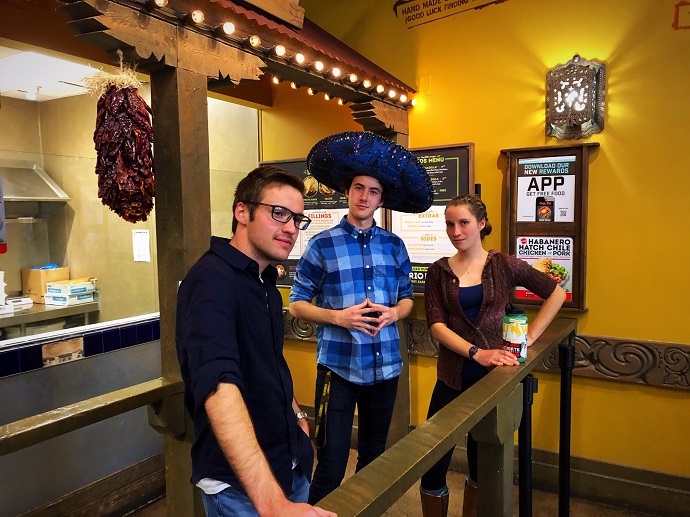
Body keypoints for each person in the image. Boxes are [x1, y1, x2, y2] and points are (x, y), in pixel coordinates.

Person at [175, 165, 337, 517]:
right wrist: (271, 502)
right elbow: (218, 386)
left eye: (297, 218)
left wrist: (295, 412)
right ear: (242, 212)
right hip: (241, 487)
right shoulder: (211, 281)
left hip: (287, 460)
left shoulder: (264, 281)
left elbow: (268, 361)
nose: (291, 228)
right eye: (279, 213)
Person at [289, 131, 435, 504]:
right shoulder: (321, 245)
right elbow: (297, 303)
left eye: (372, 191)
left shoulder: (394, 246)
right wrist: (340, 318)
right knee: (332, 463)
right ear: (347, 192)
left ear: (381, 199)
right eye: (358, 188)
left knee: (373, 460)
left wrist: (394, 313)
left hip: (385, 369)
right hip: (337, 370)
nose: (364, 196)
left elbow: (407, 300)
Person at [419, 194, 566, 517]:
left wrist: (528, 338)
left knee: (480, 461)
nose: (456, 231)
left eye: (463, 222)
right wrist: (477, 353)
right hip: (452, 376)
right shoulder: (439, 272)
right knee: (431, 461)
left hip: (493, 382)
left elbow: (556, 292)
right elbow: (437, 326)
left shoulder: (503, 264)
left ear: (481, 224)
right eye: (449, 224)